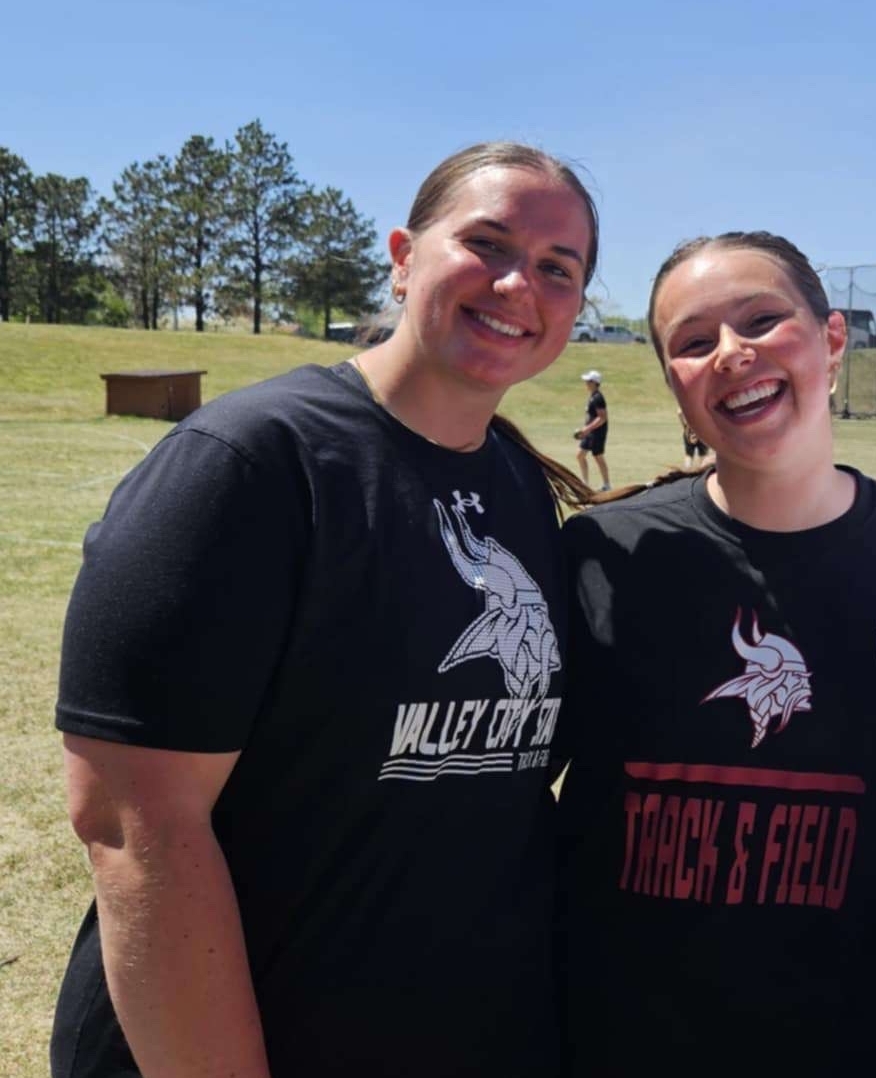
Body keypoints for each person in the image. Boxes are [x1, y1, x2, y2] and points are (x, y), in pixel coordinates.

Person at [51, 141, 599, 1078]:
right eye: (488, 243)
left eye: (558, 267)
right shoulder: (252, 463)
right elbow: (136, 826)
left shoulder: (514, 485)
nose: (520, 284)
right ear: (402, 255)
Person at [555, 231, 876, 1078]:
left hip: (854, 1044)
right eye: (693, 342)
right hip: (623, 1040)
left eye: (762, 320)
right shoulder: (605, 555)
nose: (731, 353)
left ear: (832, 341)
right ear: (673, 382)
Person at [573, 368, 610, 490]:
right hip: (590, 432)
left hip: (597, 432)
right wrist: (585, 430)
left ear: (595, 382)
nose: (586, 383)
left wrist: (587, 429)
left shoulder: (598, 398)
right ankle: (585, 484)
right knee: (580, 455)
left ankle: (606, 485)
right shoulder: (593, 396)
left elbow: (602, 418)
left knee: (598, 456)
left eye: (588, 381)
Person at [677, 405, 712, 471]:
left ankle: (687, 471)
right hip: (702, 432)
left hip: (689, 432)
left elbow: (679, 412)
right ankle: (702, 473)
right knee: (703, 456)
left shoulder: (689, 404)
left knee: (689, 455)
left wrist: (684, 425)